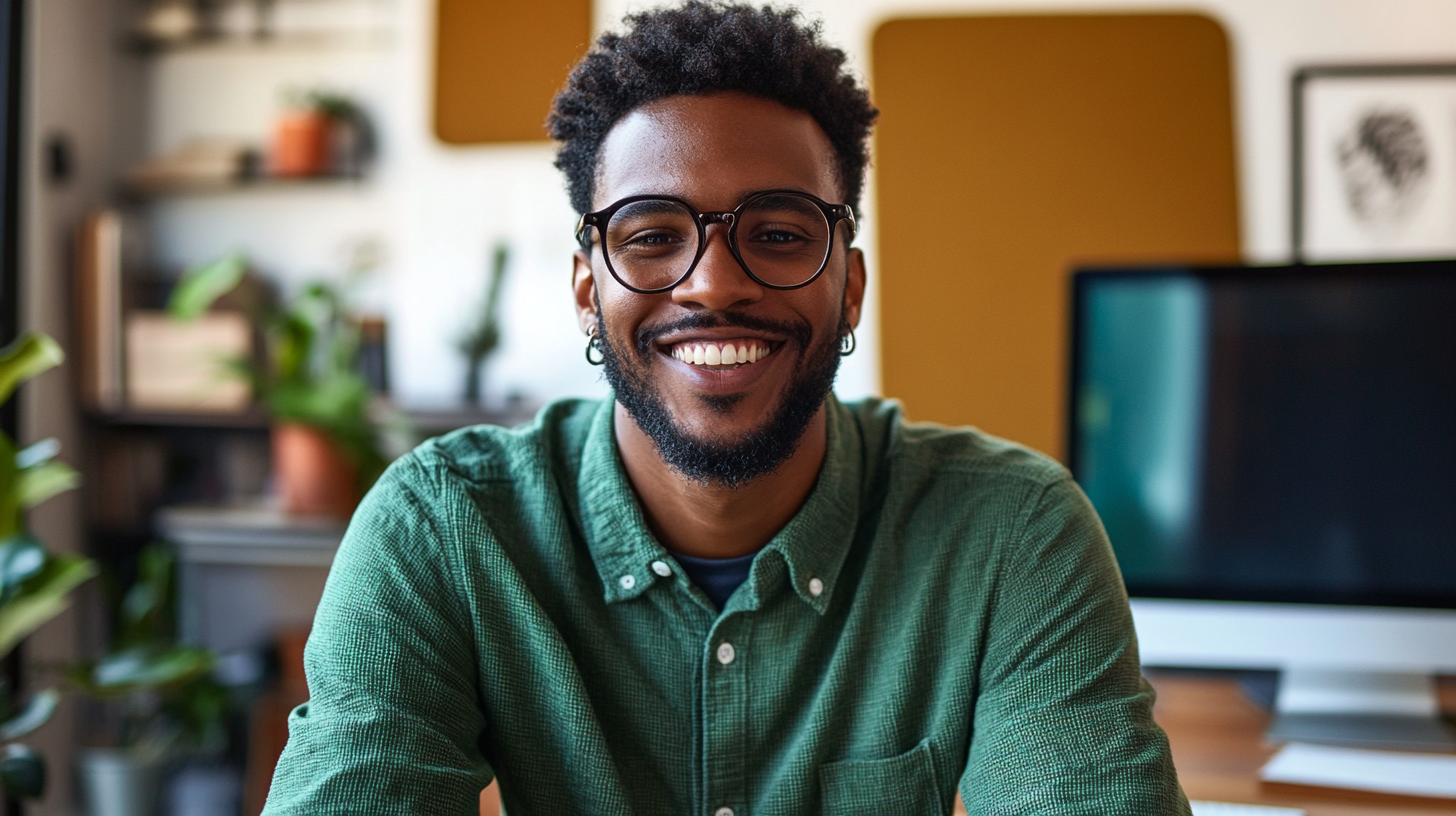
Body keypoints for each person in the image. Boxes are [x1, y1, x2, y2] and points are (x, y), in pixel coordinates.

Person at [263, 3, 1189, 814]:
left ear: (851, 286)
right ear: (588, 291)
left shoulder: (1011, 532)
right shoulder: (444, 528)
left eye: (779, 234)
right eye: (653, 236)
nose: (714, 285)